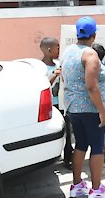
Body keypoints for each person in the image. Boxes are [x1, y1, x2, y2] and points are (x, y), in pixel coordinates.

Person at [61, 16, 105, 198]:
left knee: (81, 145)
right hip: (91, 109)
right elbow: (91, 86)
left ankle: (77, 185)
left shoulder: (69, 51)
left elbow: (65, 77)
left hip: (73, 107)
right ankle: (97, 189)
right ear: (94, 34)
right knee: (98, 148)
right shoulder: (90, 54)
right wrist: (102, 111)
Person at [40, 37, 74, 169]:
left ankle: (68, 158)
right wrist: (54, 74)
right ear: (49, 50)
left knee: (68, 131)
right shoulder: (41, 67)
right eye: (57, 48)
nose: (59, 50)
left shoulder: (59, 63)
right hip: (50, 105)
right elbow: (43, 85)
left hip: (62, 103)